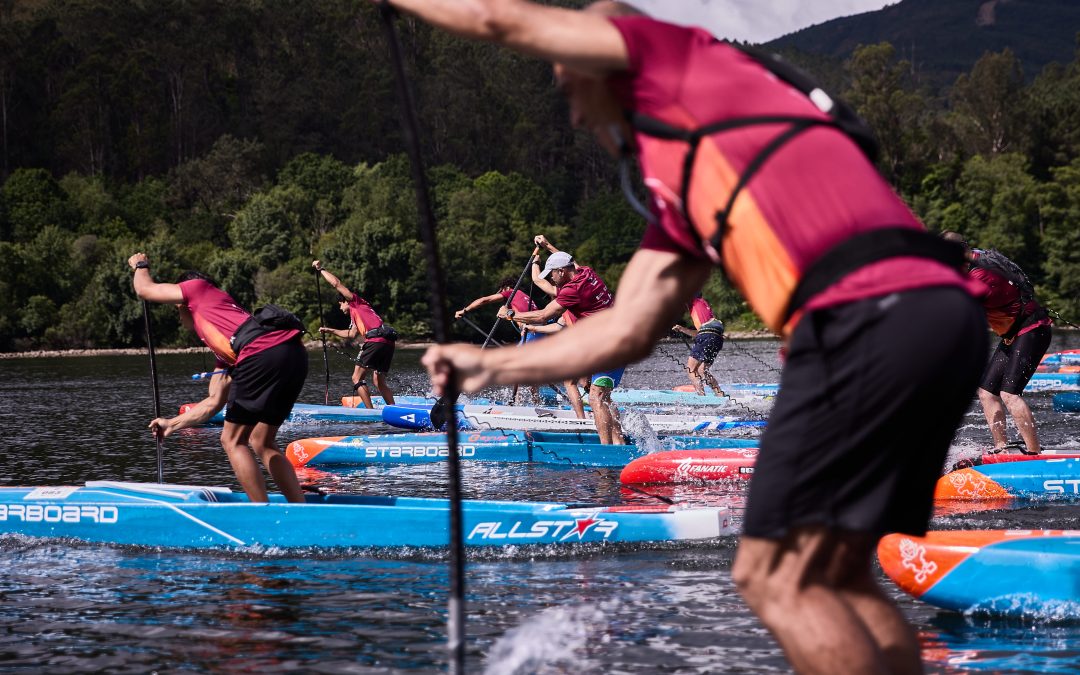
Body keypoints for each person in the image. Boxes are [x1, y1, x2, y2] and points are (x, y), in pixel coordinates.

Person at [405, 2, 987, 672]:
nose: (572, 116)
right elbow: (625, 329)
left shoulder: (675, 59)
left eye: (570, 89)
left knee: (774, 575)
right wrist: (488, 368)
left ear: (610, 62)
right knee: (839, 579)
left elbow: (495, 18)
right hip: (943, 316)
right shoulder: (687, 174)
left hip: (862, 318)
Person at [128, 253, 307, 504]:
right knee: (261, 441)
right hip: (293, 354)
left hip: (261, 353)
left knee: (232, 440)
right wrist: (172, 424)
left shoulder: (197, 287)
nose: (179, 318)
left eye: (177, 309)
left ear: (181, 304)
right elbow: (214, 402)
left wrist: (140, 265)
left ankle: (261, 514)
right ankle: (302, 509)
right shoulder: (226, 340)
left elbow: (145, 289)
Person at [507, 234, 625, 444]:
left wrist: (511, 315)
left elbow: (544, 315)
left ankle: (607, 452)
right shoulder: (586, 272)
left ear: (561, 271)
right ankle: (618, 444)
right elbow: (568, 264)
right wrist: (547, 246)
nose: (551, 278)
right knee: (601, 397)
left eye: (552, 274)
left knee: (596, 397)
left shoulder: (572, 291)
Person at [942, 233, 1052, 455]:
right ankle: (1002, 449)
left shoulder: (981, 276)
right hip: (1014, 333)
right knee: (986, 392)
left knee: (1010, 394)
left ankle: (1033, 454)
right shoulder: (977, 258)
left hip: (1032, 331)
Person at [313, 260, 397, 409]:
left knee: (356, 377)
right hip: (388, 341)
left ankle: (370, 412)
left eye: (340, 304)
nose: (340, 308)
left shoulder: (355, 302)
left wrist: (321, 270)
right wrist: (330, 330)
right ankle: (395, 410)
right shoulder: (356, 315)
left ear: (345, 301)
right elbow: (351, 334)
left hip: (376, 340)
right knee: (378, 381)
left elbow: (337, 284)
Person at [671, 293, 725, 395]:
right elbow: (700, 333)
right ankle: (720, 395)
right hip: (717, 337)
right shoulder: (703, 308)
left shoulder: (694, 300)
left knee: (691, 369)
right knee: (702, 370)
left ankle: (701, 396)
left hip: (708, 335)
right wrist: (682, 329)